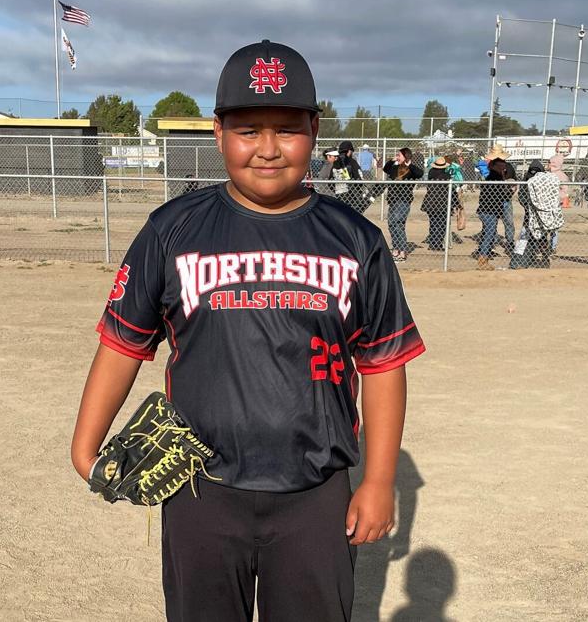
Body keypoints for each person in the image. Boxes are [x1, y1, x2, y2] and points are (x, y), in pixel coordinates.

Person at [70, 39, 425, 622]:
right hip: (198, 487)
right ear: (217, 132)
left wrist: (379, 480)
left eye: (287, 129)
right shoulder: (173, 230)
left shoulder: (356, 240)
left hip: (315, 491)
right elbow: (123, 341)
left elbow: (384, 364)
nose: (267, 148)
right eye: (247, 129)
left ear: (314, 129)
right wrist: (86, 450)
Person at [382, 147, 423, 261]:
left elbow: (420, 174)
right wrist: (392, 160)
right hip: (393, 200)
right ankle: (396, 248)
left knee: (398, 223)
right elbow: (385, 169)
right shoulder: (394, 167)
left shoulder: (410, 170)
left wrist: (409, 164)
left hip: (403, 201)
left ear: (406, 157)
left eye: (399, 155)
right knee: (391, 224)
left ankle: (402, 250)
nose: (397, 156)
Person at [475, 157, 511, 270]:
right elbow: (500, 196)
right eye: (502, 165)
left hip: (488, 211)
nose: (504, 166)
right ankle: (483, 259)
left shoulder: (493, 177)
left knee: (488, 233)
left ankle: (483, 255)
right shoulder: (495, 177)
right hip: (489, 211)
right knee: (489, 235)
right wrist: (509, 192)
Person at [484, 144, 515, 248]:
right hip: (492, 199)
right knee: (492, 222)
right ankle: (492, 242)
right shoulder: (490, 167)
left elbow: (514, 182)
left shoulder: (509, 167)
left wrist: (510, 191)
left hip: (505, 199)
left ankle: (510, 242)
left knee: (508, 221)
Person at [420, 156, 451, 251]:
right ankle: (437, 244)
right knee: (442, 224)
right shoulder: (446, 177)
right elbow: (451, 191)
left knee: (433, 223)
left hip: (431, 202)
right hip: (442, 202)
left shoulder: (431, 174)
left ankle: (433, 243)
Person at [547, 154, 570, 253]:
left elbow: (564, 191)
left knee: (554, 227)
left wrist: (555, 196)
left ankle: (552, 246)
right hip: (546, 203)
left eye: (551, 162)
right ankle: (545, 245)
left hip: (555, 204)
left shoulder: (562, 176)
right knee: (547, 225)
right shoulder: (547, 174)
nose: (549, 164)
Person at [446, 152, 465, 243]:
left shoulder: (446, 166)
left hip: (447, 189)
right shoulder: (456, 167)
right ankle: (455, 211)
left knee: (448, 212)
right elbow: (460, 178)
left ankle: (452, 211)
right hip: (455, 189)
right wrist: (460, 185)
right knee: (458, 206)